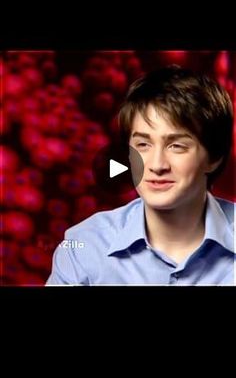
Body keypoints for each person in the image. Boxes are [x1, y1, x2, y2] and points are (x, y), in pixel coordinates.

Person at [46, 65, 235, 285]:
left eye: (177, 146)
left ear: (214, 158)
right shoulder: (84, 245)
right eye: (143, 144)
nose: (156, 165)